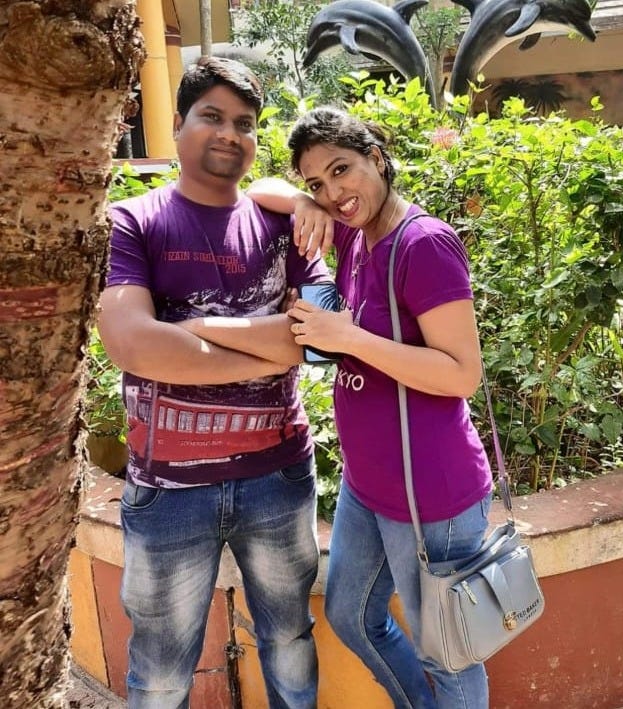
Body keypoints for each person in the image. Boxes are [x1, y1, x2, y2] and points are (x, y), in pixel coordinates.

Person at [97, 57, 331, 709]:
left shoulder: (287, 225)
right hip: (168, 489)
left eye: (245, 123)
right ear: (177, 124)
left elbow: (323, 338)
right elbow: (134, 345)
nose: (230, 133)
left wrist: (196, 331)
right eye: (212, 116)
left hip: (278, 477)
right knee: (161, 673)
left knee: (290, 640)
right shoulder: (132, 222)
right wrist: (270, 348)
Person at [242, 107, 496, 708]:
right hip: (369, 484)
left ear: (376, 158)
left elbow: (463, 374)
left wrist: (349, 338)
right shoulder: (355, 233)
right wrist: (301, 203)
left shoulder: (424, 244)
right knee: (352, 614)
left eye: (342, 170)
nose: (334, 193)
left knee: (447, 653)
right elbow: (257, 188)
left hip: (430, 493)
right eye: (317, 183)